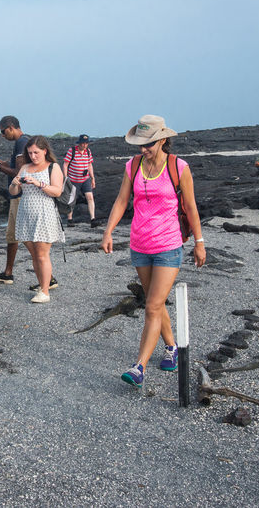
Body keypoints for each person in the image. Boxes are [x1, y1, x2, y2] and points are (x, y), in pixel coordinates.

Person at [100, 115, 206, 387]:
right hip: (140, 244)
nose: (142, 149)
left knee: (152, 306)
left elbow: (192, 207)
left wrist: (199, 242)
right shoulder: (133, 166)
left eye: (147, 144)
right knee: (154, 302)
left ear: (162, 141)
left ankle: (139, 367)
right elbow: (122, 200)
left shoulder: (178, 168)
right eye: (139, 144)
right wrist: (109, 231)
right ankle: (171, 347)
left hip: (168, 246)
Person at [0, 116, 58, 291]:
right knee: (13, 235)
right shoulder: (23, 143)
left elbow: (18, 172)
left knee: (23, 236)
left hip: (21, 198)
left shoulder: (21, 143)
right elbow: (19, 167)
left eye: (3, 132)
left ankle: (48, 278)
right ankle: (8, 272)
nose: (3, 136)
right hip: (17, 197)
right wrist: (2, 163)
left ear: (10, 128)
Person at [10, 136, 65, 303]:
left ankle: (45, 291)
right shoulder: (25, 167)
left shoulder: (53, 167)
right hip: (26, 213)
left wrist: (38, 183)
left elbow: (57, 192)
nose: (33, 156)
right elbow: (13, 193)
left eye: (36, 152)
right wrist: (14, 183)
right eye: (30, 153)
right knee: (34, 254)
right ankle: (43, 284)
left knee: (42, 254)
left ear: (45, 151)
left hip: (44, 212)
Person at [62, 134, 99, 227]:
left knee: (90, 197)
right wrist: (65, 178)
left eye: (86, 143)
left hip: (85, 179)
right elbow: (65, 164)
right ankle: (70, 219)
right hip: (73, 179)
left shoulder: (88, 152)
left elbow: (90, 165)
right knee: (71, 199)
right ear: (79, 143)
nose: (85, 145)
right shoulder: (72, 151)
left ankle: (93, 219)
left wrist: (92, 178)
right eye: (83, 143)